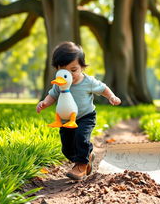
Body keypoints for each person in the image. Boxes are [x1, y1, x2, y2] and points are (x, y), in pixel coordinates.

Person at [36, 41, 121, 180]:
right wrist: (45, 103)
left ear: (82, 67)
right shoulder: (59, 83)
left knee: (81, 137)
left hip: (85, 117)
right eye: (64, 70)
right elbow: (52, 95)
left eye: (73, 70)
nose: (69, 74)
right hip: (66, 120)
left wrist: (111, 96)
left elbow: (103, 88)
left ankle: (81, 165)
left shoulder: (88, 81)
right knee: (67, 148)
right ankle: (87, 155)